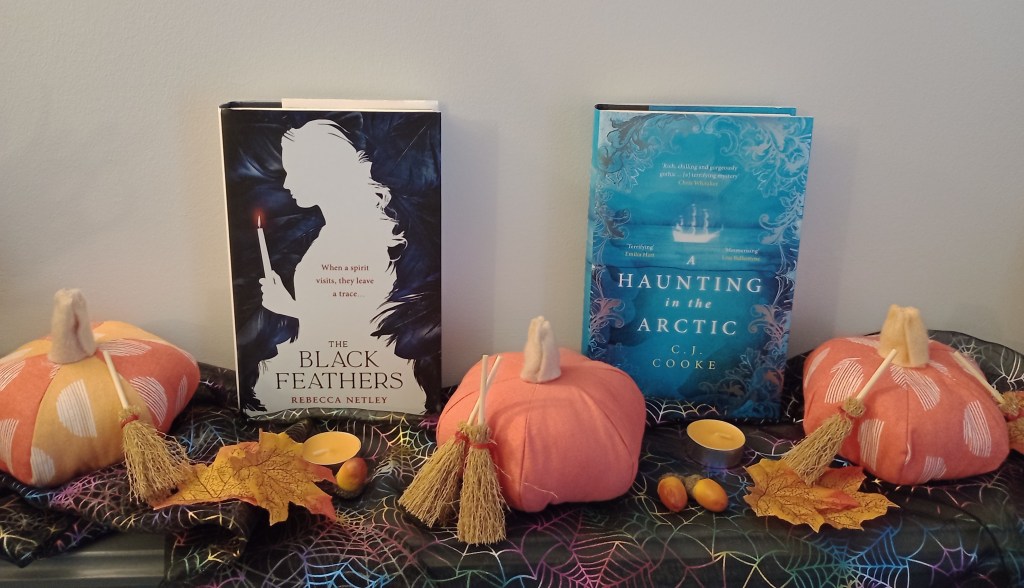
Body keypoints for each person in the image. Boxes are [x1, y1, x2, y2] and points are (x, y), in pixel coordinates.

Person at [257, 119, 414, 411]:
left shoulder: (358, 233)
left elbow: (361, 323)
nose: (287, 184)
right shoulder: (335, 231)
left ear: (323, 172)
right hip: (328, 373)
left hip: (363, 379)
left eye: (294, 172)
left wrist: (288, 306)